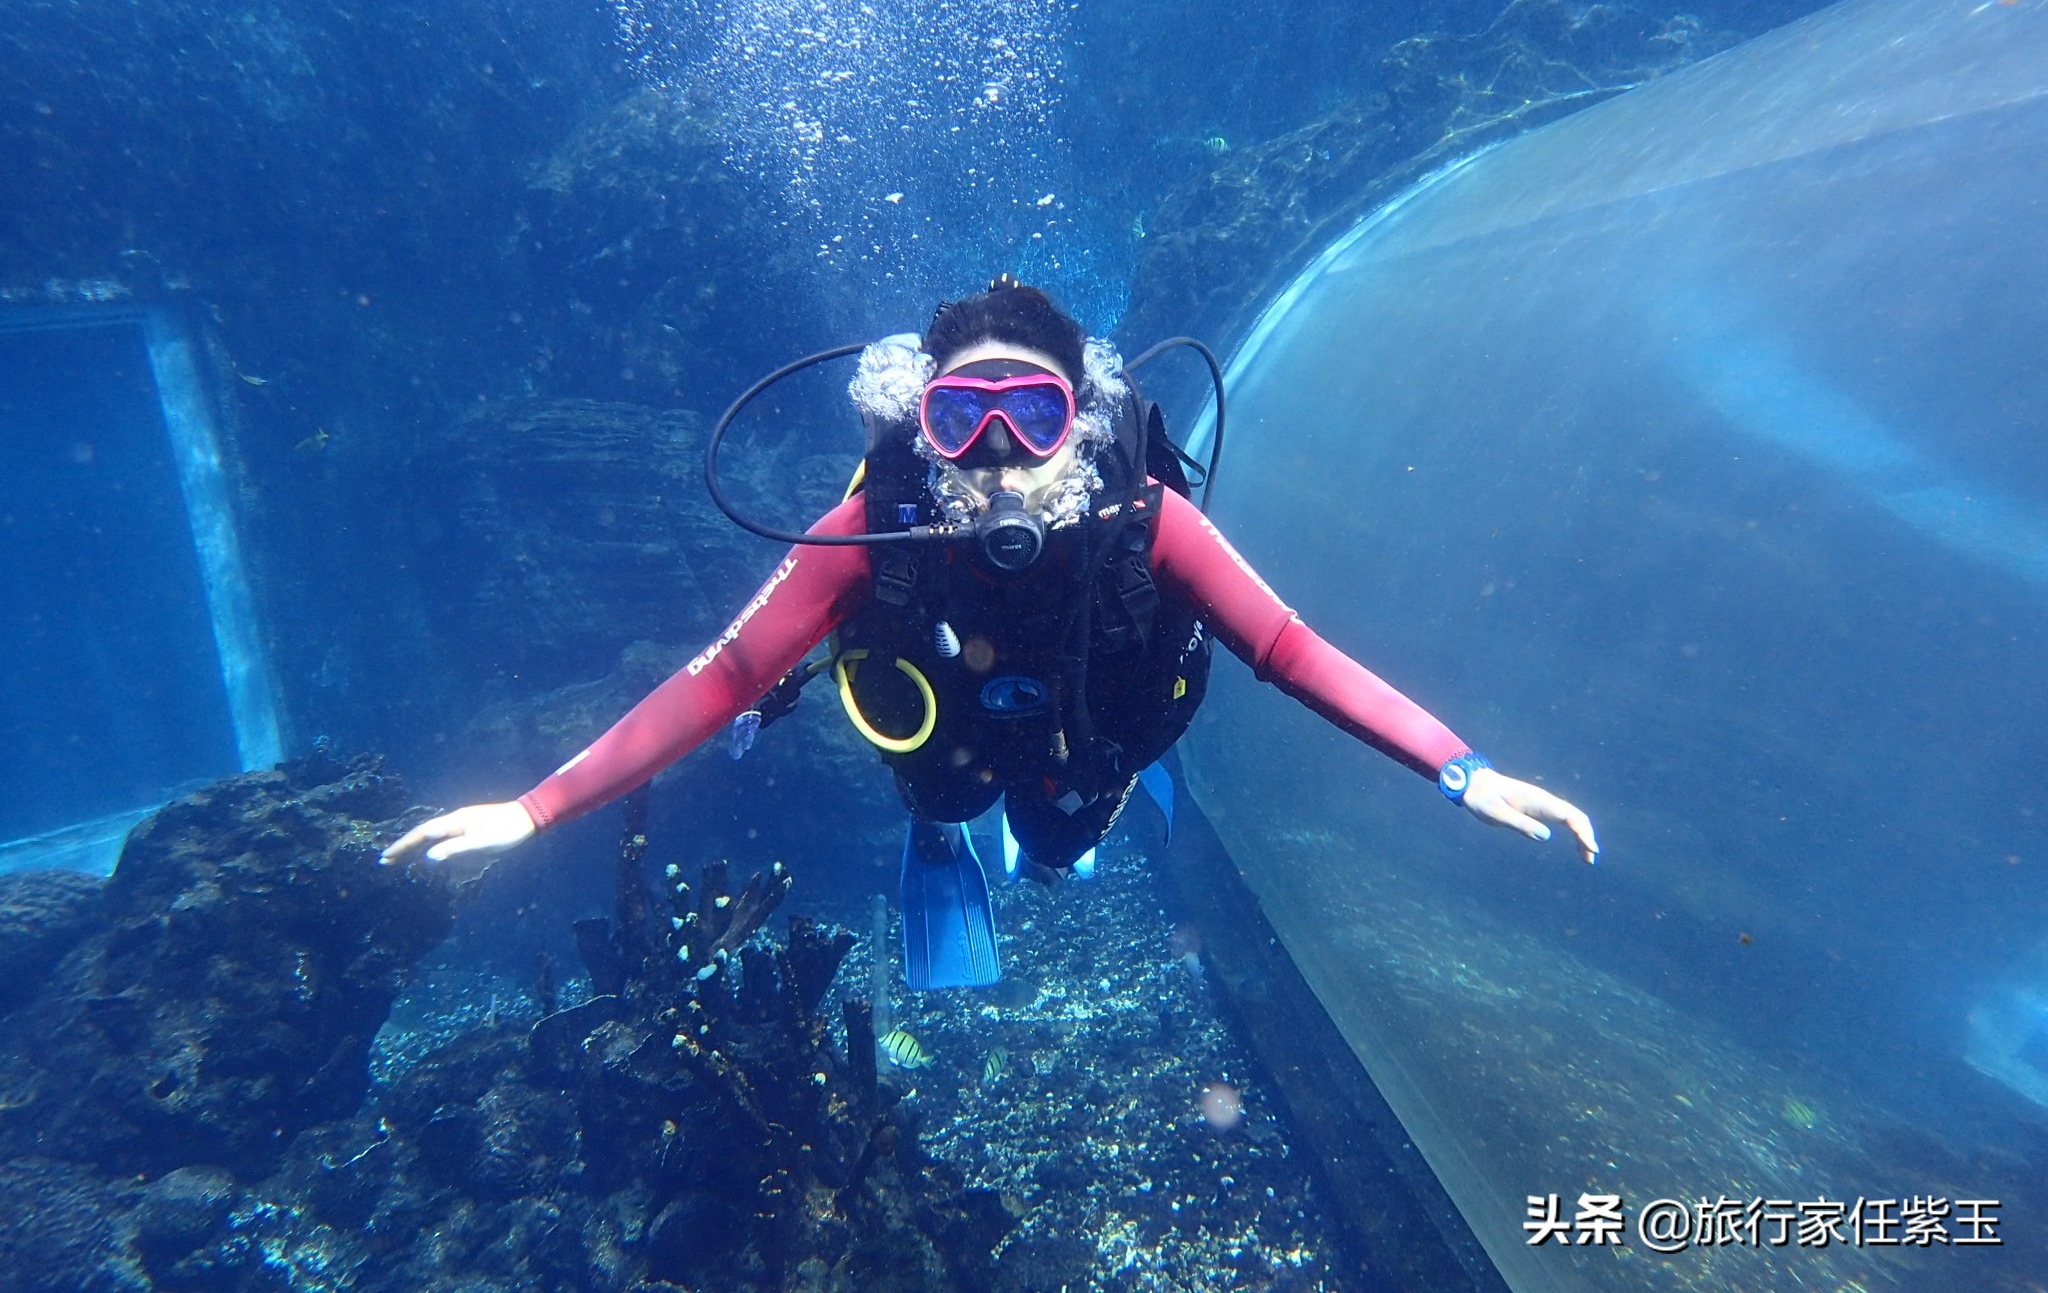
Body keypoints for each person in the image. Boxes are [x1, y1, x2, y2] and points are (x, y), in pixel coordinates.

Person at [383, 277, 1598, 987]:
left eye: (1032, 409)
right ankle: (943, 845)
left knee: (1065, 842)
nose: (1001, 452)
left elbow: (1287, 649)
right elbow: (729, 676)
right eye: (964, 416)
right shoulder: (875, 518)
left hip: (1094, 734)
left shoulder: (1142, 518)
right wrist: (533, 808)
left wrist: (1458, 767)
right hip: (945, 739)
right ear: (923, 423)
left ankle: (1084, 817)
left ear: (1078, 421)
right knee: (946, 800)